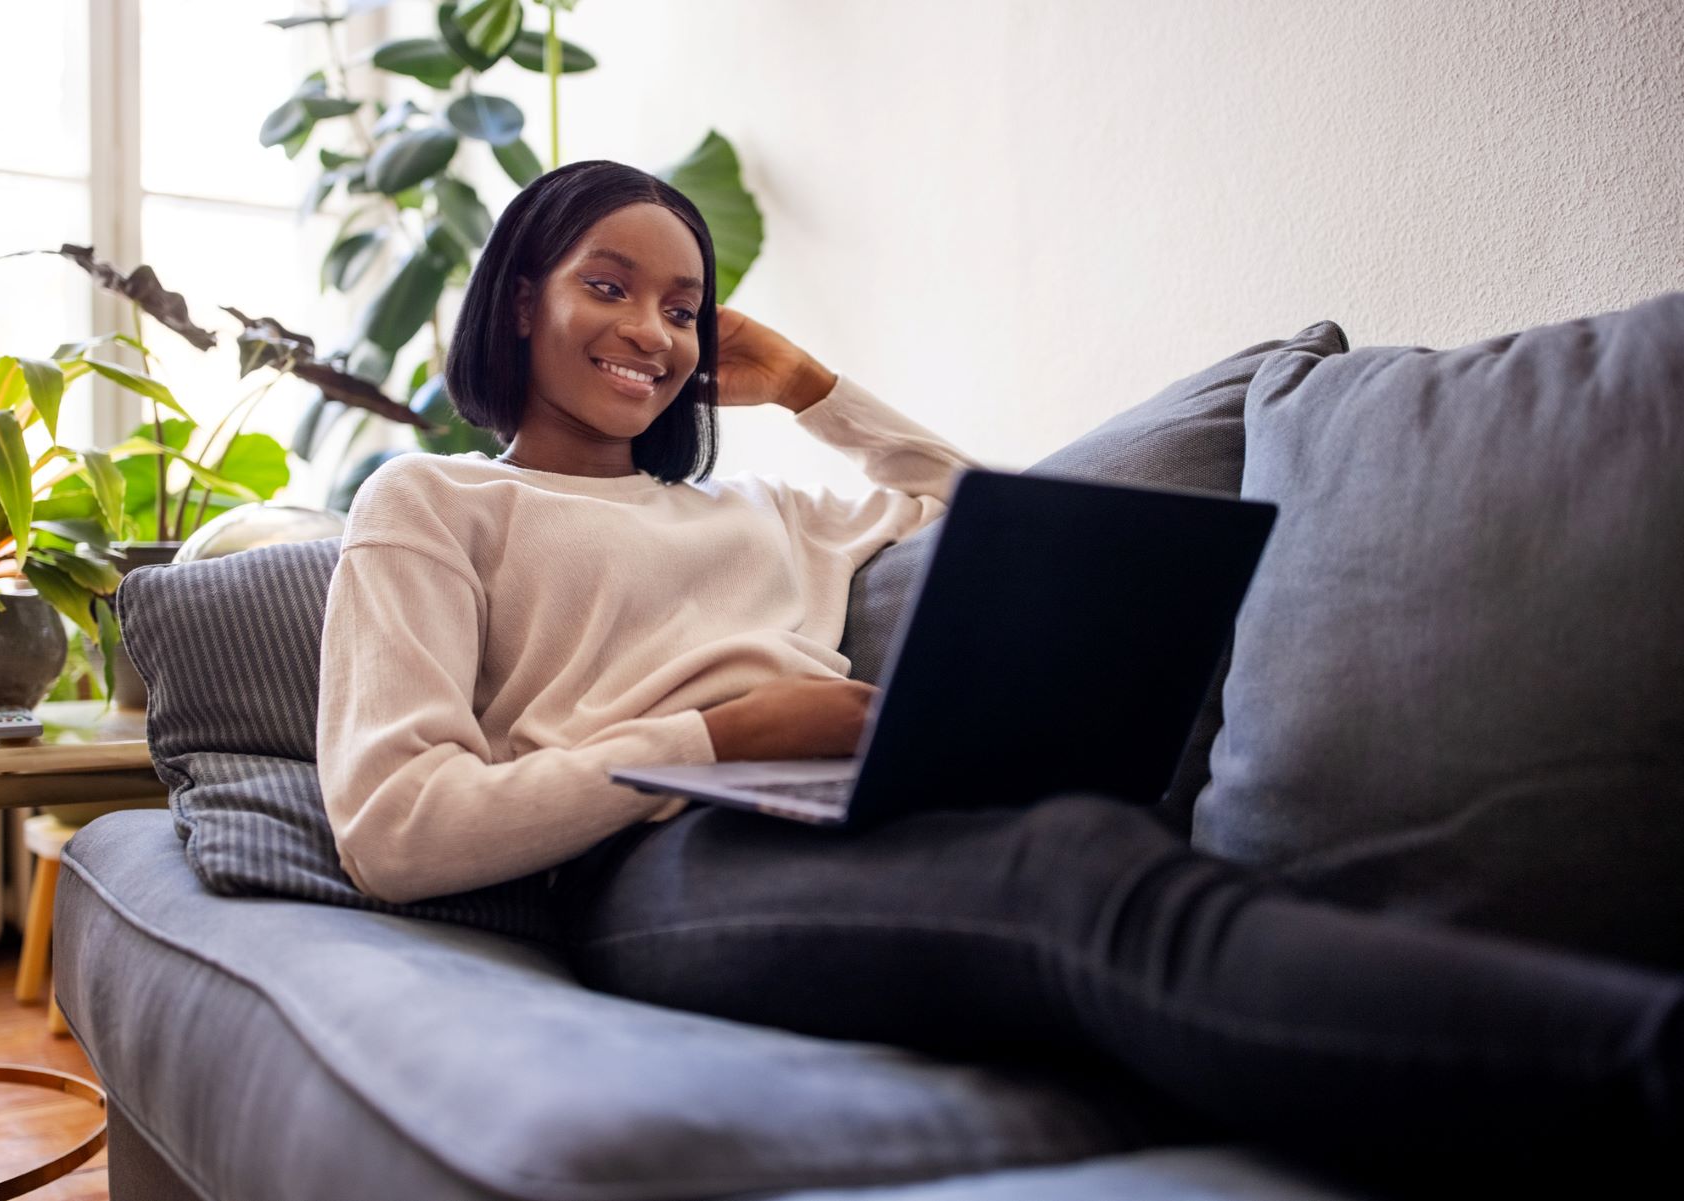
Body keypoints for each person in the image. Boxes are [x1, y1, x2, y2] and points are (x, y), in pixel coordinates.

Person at [316, 160, 1680, 1183]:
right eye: (607, 285)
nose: (656, 332)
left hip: (862, 801)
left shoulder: (772, 514)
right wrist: (720, 735)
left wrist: (810, 388)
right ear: (515, 301)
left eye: (684, 305)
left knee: (1100, 843)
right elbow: (393, 825)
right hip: (667, 852)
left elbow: (1006, 519)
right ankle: (1633, 1067)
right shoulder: (431, 502)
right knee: (1068, 878)